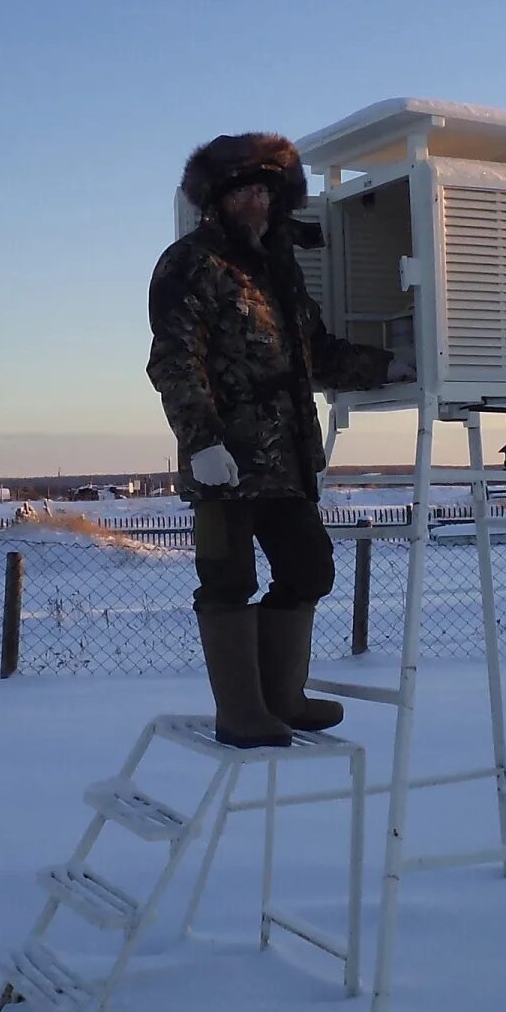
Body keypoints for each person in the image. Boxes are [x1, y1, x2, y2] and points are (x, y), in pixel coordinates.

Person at [147, 131, 409, 748]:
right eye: (243, 190)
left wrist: (384, 366)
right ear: (219, 198)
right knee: (227, 580)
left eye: (266, 190)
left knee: (309, 568)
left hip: (287, 462)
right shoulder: (191, 262)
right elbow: (175, 360)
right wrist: (202, 441)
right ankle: (241, 713)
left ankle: (283, 698)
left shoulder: (280, 272)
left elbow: (313, 352)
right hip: (225, 466)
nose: (256, 201)